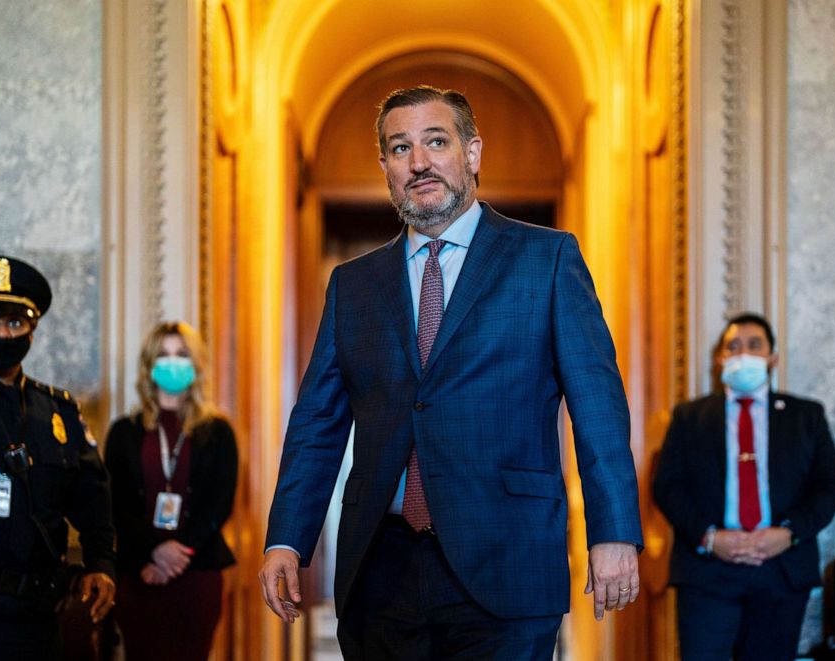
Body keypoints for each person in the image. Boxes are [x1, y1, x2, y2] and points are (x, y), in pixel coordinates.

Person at [260, 85, 644, 659]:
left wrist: (612, 531)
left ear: (472, 153)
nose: (419, 162)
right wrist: (287, 537)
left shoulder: (548, 259)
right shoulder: (353, 285)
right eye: (399, 148)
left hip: (509, 561)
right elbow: (317, 422)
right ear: (386, 167)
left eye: (436, 142)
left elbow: (598, 408)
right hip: (380, 569)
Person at [652, 312, 835, 661]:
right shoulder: (688, 417)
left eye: (754, 345)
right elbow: (667, 487)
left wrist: (788, 534)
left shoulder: (807, 416)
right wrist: (710, 538)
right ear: (720, 358)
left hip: (781, 570)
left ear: (773, 358)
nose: (743, 354)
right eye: (733, 346)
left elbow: (830, 487)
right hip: (707, 572)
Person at [0, 254, 115, 660]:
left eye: (15, 323)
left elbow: (93, 499)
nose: (1, 334)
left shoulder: (59, 412)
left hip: (36, 618)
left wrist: (101, 564)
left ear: (32, 330)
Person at [104, 321, 238, 660]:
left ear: (195, 365)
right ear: (150, 365)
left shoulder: (217, 431)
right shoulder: (124, 431)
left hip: (198, 574)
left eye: (182, 355)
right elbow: (116, 504)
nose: (172, 363)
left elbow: (218, 504)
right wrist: (155, 552)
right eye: (163, 355)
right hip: (139, 573)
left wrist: (179, 553)